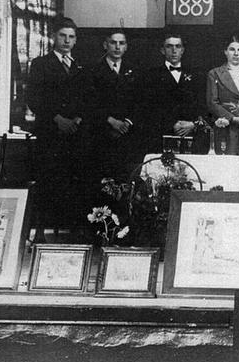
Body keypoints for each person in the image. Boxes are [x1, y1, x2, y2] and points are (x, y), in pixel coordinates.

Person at [28, 16, 95, 229]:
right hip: (50, 134)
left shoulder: (81, 66)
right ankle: (46, 230)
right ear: (53, 37)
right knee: (50, 182)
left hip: (76, 134)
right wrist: (58, 119)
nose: (67, 41)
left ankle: (72, 230)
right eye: (63, 36)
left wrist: (77, 119)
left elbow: (89, 98)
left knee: (75, 182)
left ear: (75, 40)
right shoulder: (40, 64)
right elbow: (34, 99)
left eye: (71, 37)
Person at [136, 32, 206, 154]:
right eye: (169, 46)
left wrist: (193, 124)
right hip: (160, 136)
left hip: (191, 136)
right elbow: (147, 107)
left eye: (178, 46)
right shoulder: (151, 75)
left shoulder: (196, 74)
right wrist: (171, 124)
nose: (174, 50)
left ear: (182, 50)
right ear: (162, 50)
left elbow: (202, 104)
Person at [88, 30, 139, 179]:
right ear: (105, 45)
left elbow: (140, 100)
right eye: (113, 43)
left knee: (125, 178)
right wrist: (110, 121)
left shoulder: (135, 70)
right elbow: (89, 101)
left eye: (121, 43)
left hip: (127, 134)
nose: (117, 47)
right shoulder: (93, 70)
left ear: (126, 47)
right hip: (101, 133)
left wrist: (127, 122)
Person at [206, 35, 239, 155]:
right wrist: (232, 118)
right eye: (232, 49)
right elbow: (212, 103)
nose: (236, 53)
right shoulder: (215, 73)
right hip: (226, 129)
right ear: (225, 52)